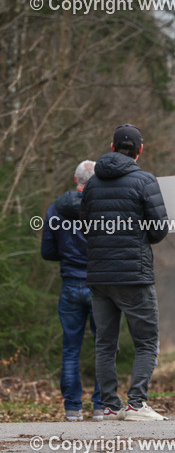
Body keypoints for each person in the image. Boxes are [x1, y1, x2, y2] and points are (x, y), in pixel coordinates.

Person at [81, 124, 168, 421]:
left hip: (99, 276)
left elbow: (85, 228)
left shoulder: (91, 184)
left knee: (105, 343)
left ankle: (108, 405)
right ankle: (136, 404)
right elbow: (158, 230)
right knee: (146, 341)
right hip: (134, 275)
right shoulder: (146, 181)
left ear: (112, 146)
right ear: (140, 150)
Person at [41, 160, 104, 421]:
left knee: (70, 349)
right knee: (104, 346)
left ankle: (72, 408)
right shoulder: (102, 209)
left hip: (69, 284)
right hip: (99, 286)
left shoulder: (55, 209)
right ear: (97, 181)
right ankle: (101, 406)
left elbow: (47, 252)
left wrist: (68, 256)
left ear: (74, 178)